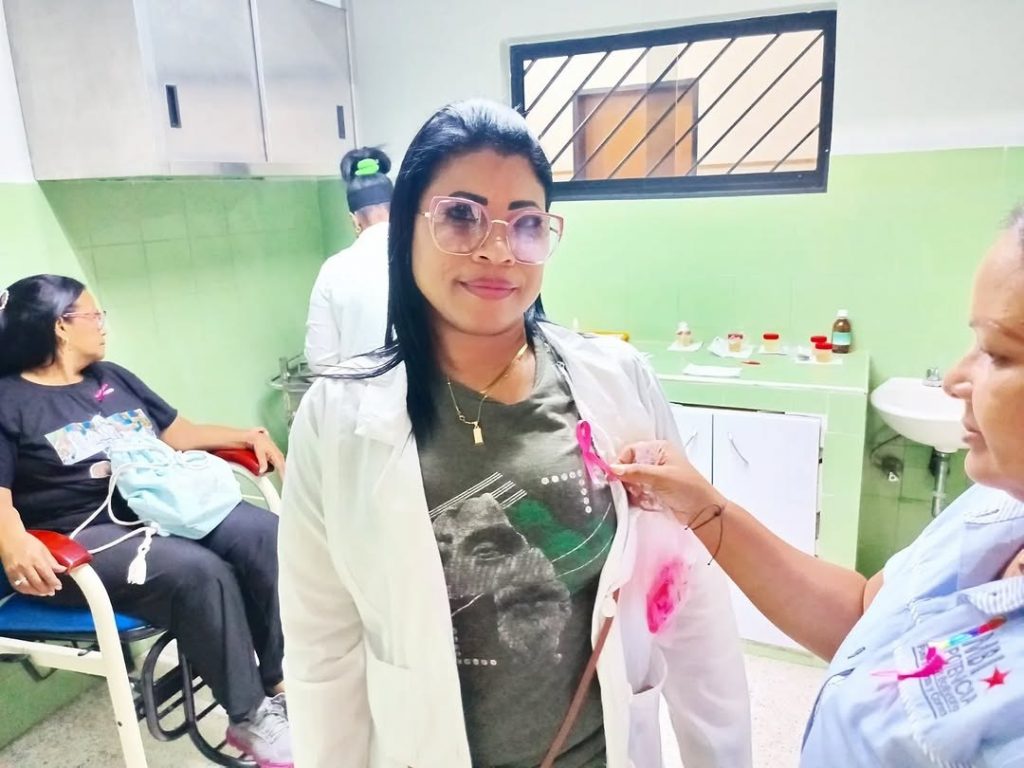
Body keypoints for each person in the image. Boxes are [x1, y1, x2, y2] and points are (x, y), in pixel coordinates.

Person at [279, 100, 751, 768]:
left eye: (526, 223)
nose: (498, 250)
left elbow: (686, 598)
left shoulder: (618, 383)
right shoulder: (335, 419)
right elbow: (321, 645)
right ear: (406, 228)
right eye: (461, 215)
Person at [613, 207, 1024, 766]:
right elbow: (865, 616)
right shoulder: (996, 508)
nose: (955, 378)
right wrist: (702, 506)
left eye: (997, 353)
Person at [0, 275, 293, 767]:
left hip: (157, 508)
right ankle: (250, 718)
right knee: (198, 571)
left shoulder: (113, 377)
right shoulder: (8, 400)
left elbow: (181, 434)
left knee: (263, 534)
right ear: (60, 327)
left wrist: (245, 435)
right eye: (94, 315)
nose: (102, 325)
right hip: (77, 538)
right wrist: (12, 540)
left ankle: (281, 683)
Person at [304, 146, 393, 373]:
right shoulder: (422, 258)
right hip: (423, 393)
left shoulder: (333, 271)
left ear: (354, 220)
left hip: (359, 394)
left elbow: (320, 361)